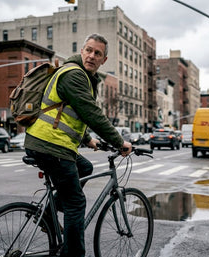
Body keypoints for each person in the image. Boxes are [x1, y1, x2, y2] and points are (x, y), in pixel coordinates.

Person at [24, 33, 132, 257]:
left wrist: (87, 140)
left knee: (85, 168)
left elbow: (65, 111)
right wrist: (119, 142)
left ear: (104, 59)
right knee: (75, 203)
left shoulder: (81, 75)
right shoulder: (74, 75)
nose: (92, 56)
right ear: (82, 51)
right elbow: (91, 113)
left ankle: (48, 216)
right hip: (51, 146)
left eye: (97, 53)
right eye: (89, 50)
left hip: (47, 143)